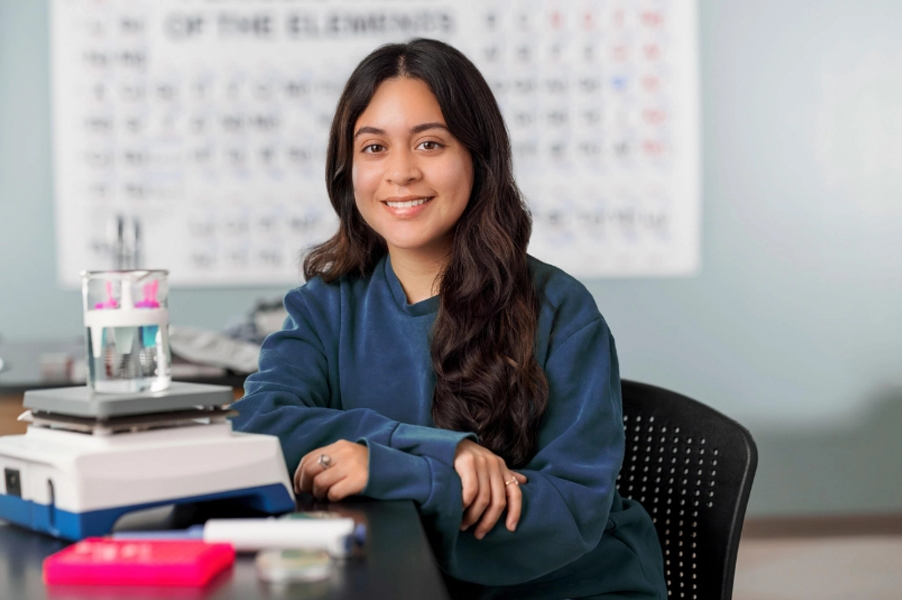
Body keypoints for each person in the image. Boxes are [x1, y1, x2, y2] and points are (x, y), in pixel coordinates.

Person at [230, 39, 668, 599]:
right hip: (399, 579)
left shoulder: (561, 309)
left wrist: (392, 470)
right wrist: (443, 450)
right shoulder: (325, 305)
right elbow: (259, 425)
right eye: (373, 148)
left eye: (430, 143)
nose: (401, 173)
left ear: (477, 157)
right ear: (349, 169)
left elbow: (572, 510)